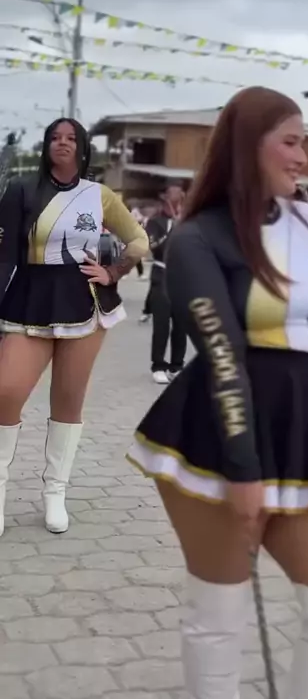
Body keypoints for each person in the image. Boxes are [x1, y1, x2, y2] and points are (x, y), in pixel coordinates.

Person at [127, 87, 308, 699]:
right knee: (219, 614)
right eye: (290, 142)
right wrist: (243, 469)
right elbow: (223, 357)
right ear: (246, 146)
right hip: (218, 433)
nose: (303, 157)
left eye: (304, 142)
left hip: (305, 433)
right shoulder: (196, 239)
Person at [0, 118, 148, 537]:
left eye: (70, 139)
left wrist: (114, 272)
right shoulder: (21, 189)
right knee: (6, 391)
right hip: (28, 300)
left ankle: (55, 493)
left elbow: (139, 241)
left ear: (82, 148)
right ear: (46, 145)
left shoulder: (99, 195)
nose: (62, 144)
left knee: (68, 399)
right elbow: (4, 255)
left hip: (84, 303)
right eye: (54, 137)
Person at [147, 184, 187, 384]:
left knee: (181, 325)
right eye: (173, 193)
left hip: (182, 277)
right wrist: (173, 230)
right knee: (161, 324)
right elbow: (154, 246)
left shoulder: (188, 220)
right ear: (165, 197)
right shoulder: (155, 222)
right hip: (161, 274)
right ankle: (158, 365)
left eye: (180, 194)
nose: (178, 197)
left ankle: (177, 365)